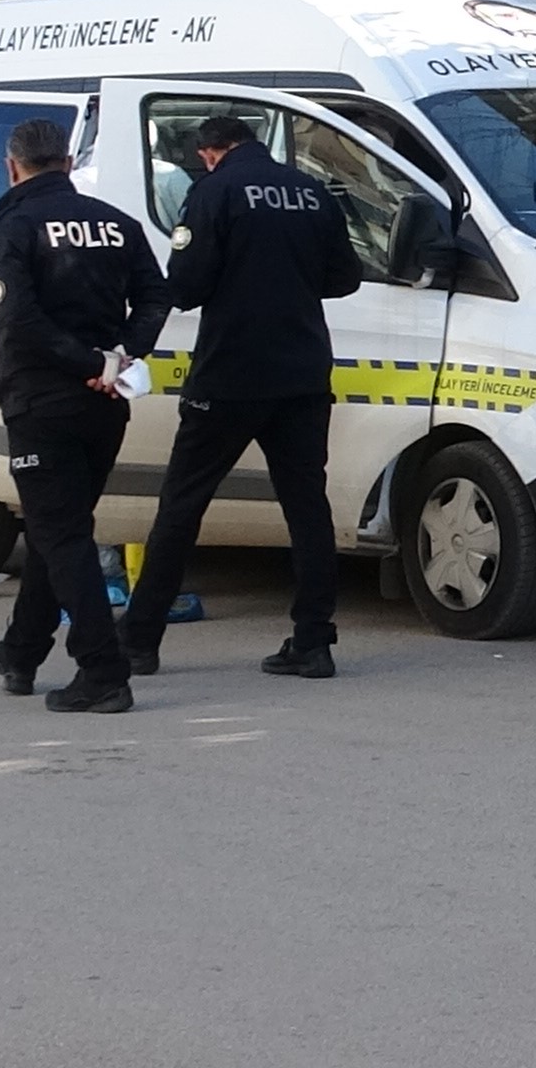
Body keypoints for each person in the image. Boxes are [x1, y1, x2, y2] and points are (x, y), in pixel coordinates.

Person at [118, 114, 365, 680]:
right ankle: (313, 641)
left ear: (210, 153)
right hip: (302, 373)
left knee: (183, 505)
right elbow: (345, 277)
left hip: (230, 373)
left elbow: (185, 286)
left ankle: (139, 641)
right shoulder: (311, 192)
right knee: (307, 508)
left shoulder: (214, 192)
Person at [0, 116, 170, 714]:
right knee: (56, 528)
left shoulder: (15, 226)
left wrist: (91, 362)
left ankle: (102, 671)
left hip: (42, 402)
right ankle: (21, 652)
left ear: (13, 167)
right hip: (104, 403)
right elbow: (156, 296)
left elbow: (20, 319)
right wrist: (118, 358)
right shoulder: (116, 223)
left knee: (62, 534)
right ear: (66, 163)